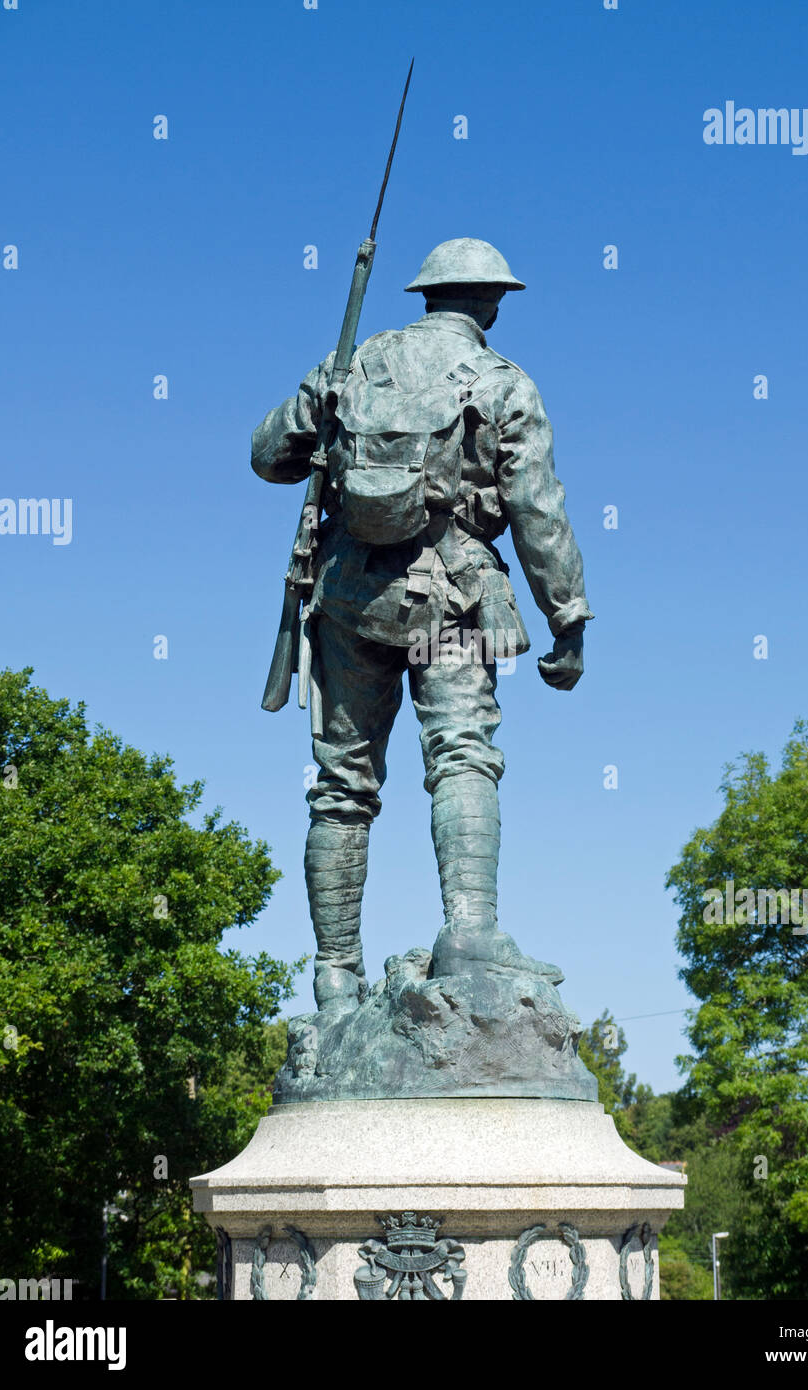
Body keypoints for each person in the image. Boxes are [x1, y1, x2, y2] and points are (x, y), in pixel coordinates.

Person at [252, 238, 594, 1016]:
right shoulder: (505, 384)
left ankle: (335, 974)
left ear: (424, 296)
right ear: (492, 302)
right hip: (450, 595)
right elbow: (539, 513)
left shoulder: (351, 363)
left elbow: (268, 457)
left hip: (347, 597)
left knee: (340, 788)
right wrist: (565, 617)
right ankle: (470, 933)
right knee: (462, 756)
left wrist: (323, 395)